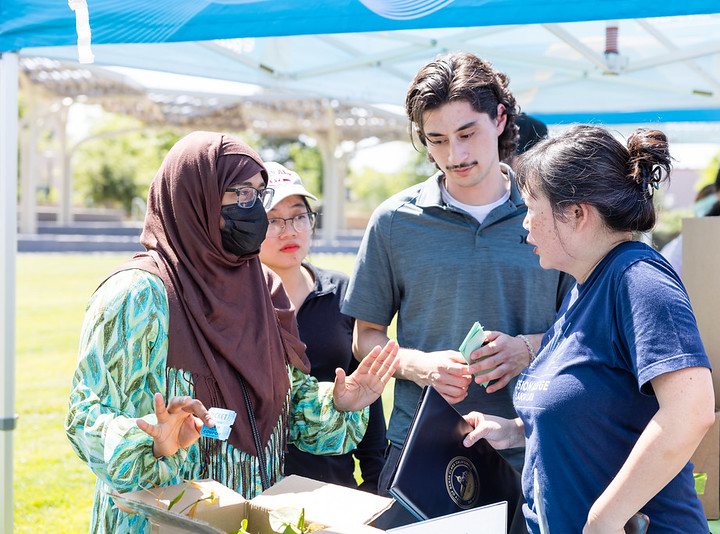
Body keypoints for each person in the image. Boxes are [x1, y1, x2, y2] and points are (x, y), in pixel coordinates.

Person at [65, 131, 399, 533]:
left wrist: (338, 404)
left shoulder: (264, 287)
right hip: (158, 520)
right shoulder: (138, 295)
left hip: (250, 517)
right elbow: (85, 416)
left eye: (258, 194)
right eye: (239, 194)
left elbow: (286, 409)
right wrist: (152, 444)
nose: (254, 208)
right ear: (196, 197)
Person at [341, 52, 573, 529]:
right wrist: (419, 365)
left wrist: (527, 349)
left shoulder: (557, 216)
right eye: (437, 140)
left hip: (532, 448)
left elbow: (586, 333)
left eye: (467, 133)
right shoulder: (392, 222)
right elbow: (366, 336)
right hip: (420, 452)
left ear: (501, 119)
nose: (455, 156)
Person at [463, 124, 716, 534]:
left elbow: (691, 411)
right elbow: (599, 410)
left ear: (577, 214)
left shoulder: (638, 280)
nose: (525, 224)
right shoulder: (585, 289)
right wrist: (514, 431)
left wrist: (605, 518)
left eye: (531, 208)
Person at [258, 161, 387, 493]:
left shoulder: (343, 293)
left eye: (299, 216)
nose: (290, 231)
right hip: (253, 489)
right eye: (273, 220)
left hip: (332, 490)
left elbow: (366, 393)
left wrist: (375, 484)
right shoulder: (233, 303)